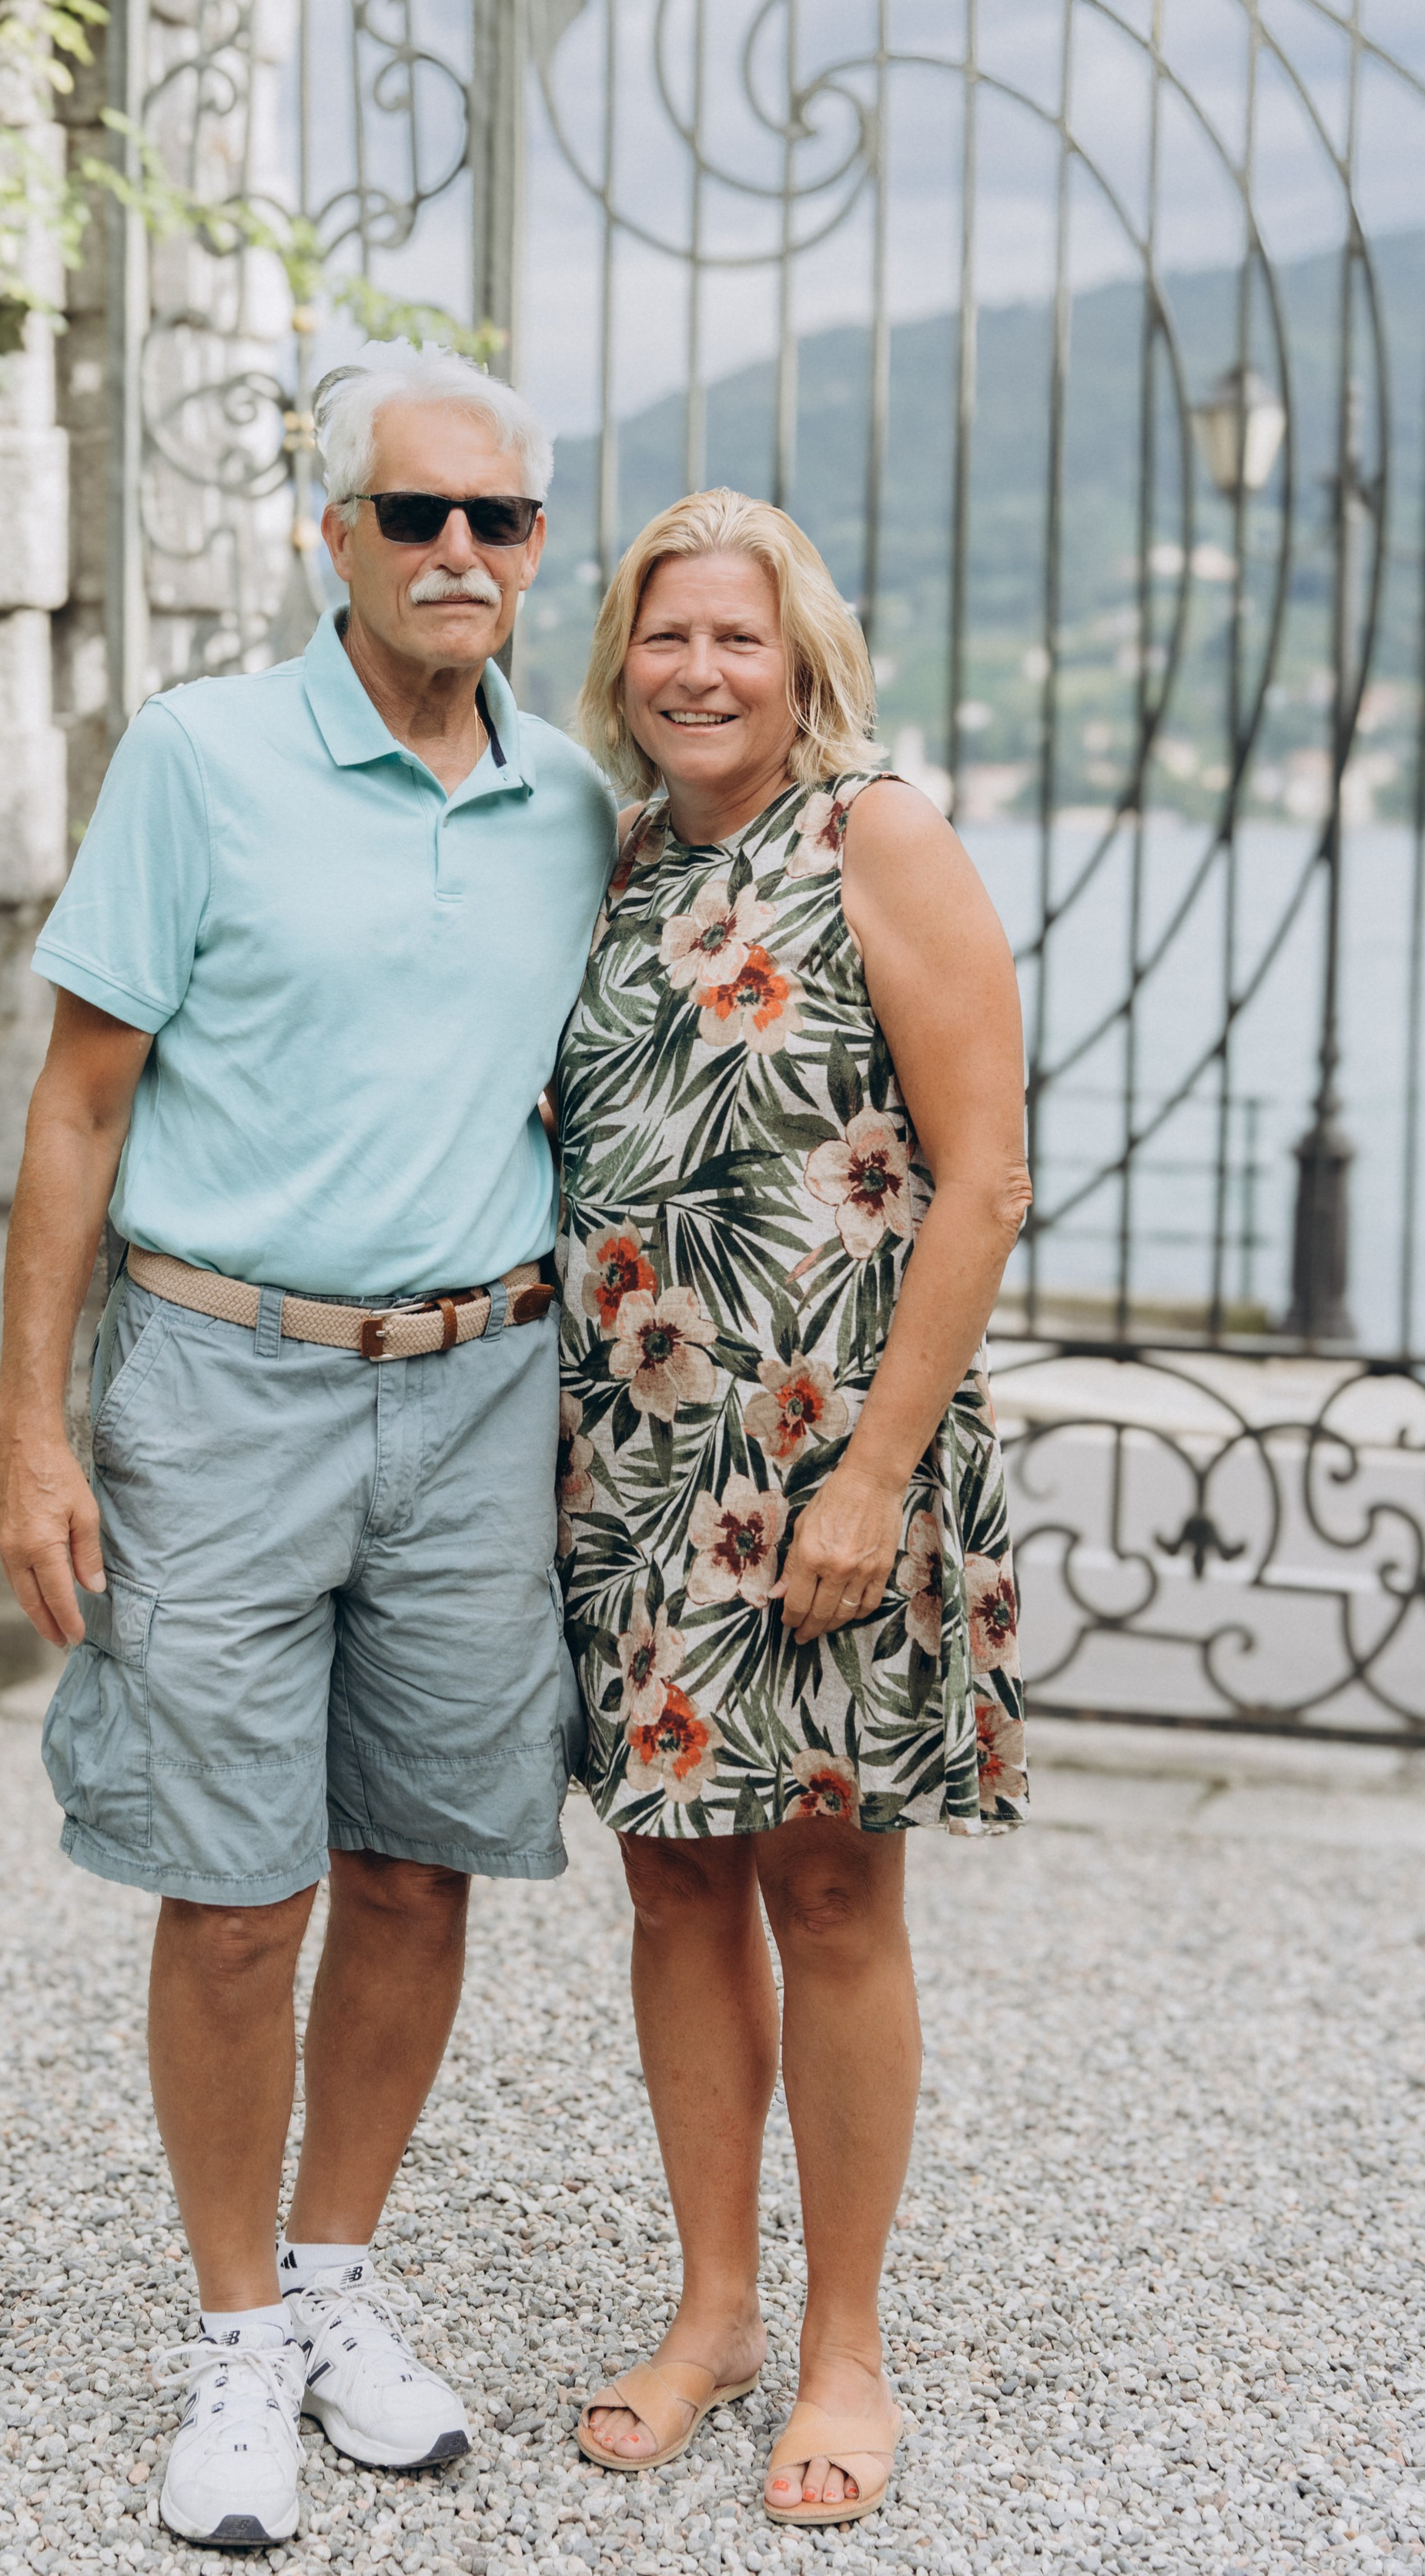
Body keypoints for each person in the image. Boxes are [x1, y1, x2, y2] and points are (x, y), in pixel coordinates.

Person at [0, 343, 617, 2550]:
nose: (462, 554)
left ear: (540, 550)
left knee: (423, 1865)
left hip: (479, 1395)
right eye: (417, 515)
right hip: (220, 1391)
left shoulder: (573, 805)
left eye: (502, 521)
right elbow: (79, 1105)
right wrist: (28, 1441)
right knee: (235, 1896)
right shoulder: (203, 759)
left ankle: (340, 2279)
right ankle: (236, 2332)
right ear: (332, 535)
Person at [554, 488, 1029, 2531]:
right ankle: (714, 2306)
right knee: (674, 1882)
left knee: (829, 1888)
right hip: (648, 1472)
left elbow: (986, 1171)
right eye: (669, 639)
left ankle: (845, 2344)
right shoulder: (622, 862)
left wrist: (875, 1478)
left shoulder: (878, 839)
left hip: (838, 1466)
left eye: (740, 641)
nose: (702, 673)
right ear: (624, 661)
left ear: (803, 658)